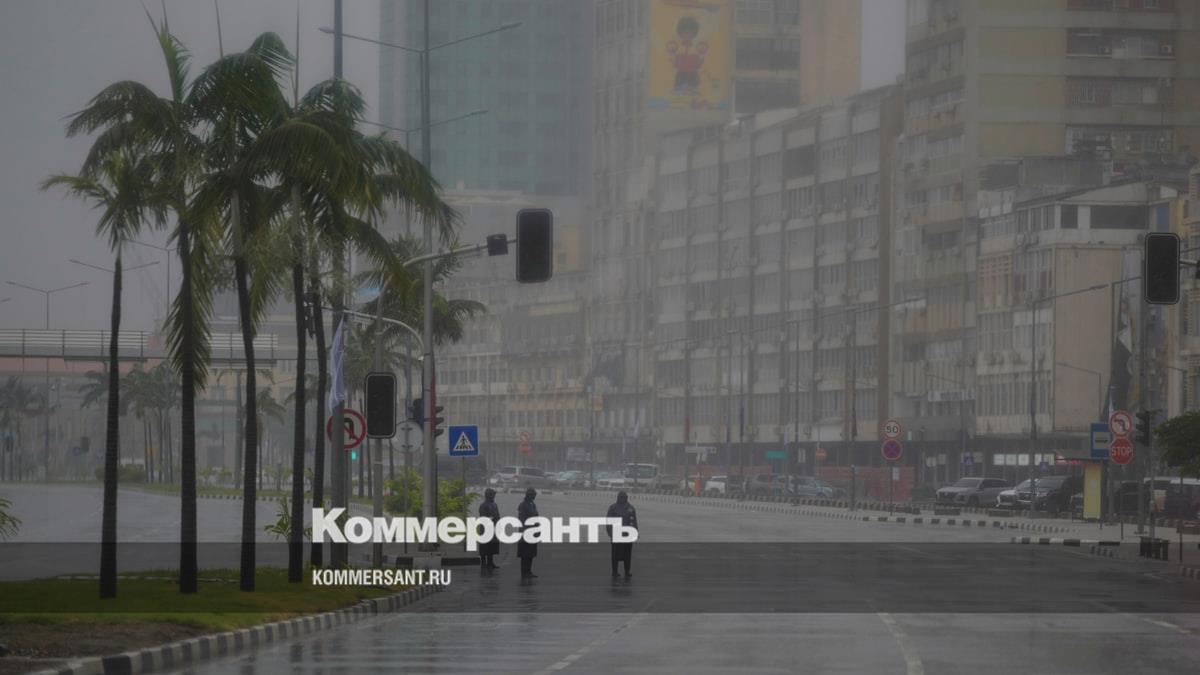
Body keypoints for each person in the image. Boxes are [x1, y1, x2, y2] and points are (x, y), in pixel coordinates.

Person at [606, 490, 638, 579]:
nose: (622, 499)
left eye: (623, 497)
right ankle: (614, 571)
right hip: (616, 534)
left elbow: (633, 521)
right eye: (620, 497)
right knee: (615, 554)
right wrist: (610, 533)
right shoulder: (613, 508)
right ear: (618, 497)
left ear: (626, 498)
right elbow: (608, 521)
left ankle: (627, 571)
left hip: (628, 535)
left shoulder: (630, 508)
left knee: (627, 554)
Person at [517, 487, 539, 578]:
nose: (534, 496)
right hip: (526, 532)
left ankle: (528, 571)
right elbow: (522, 520)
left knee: (531, 553)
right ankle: (524, 572)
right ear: (528, 495)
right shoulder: (523, 505)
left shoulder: (532, 504)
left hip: (533, 532)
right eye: (533, 495)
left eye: (535, 494)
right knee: (525, 554)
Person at [478, 488, 501, 570]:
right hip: (485, 529)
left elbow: (497, 515)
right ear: (488, 495)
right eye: (492, 494)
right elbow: (484, 518)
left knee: (492, 546)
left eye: (494, 494)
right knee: (484, 547)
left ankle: (490, 562)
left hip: (493, 528)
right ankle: (483, 563)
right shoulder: (483, 505)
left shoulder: (494, 504)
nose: (494, 496)